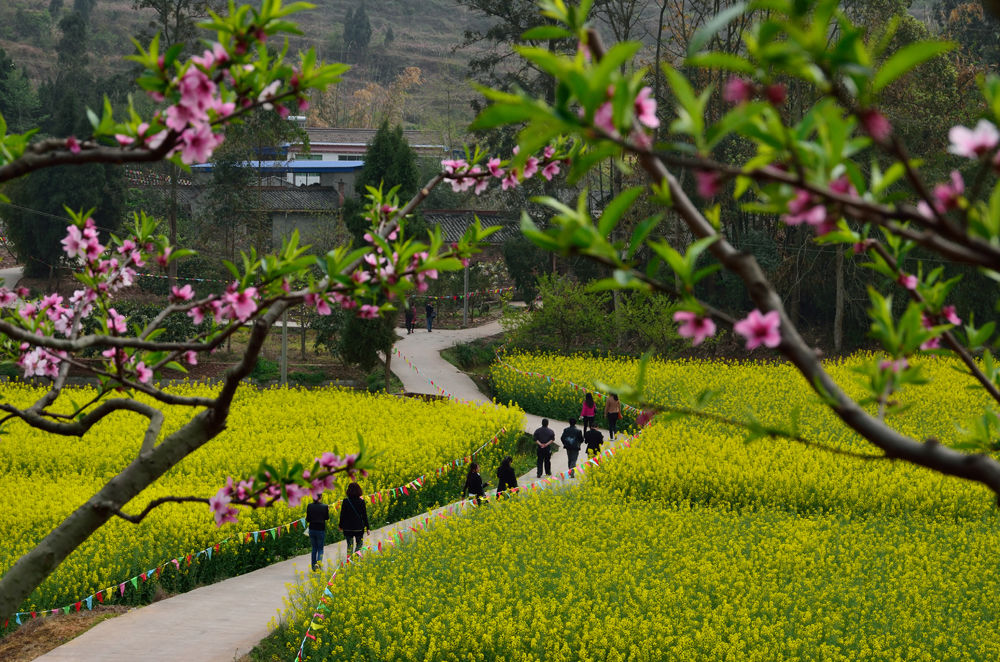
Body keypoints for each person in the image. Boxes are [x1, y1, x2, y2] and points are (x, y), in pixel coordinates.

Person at [338, 482, 370, 557]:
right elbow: (364, 516)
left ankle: (349, 561)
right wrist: (368, 527)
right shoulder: (361, 501)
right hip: (358, 527)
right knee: (359, 544)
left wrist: (340, 526)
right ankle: (355, 558)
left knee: (349, 545)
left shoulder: (345, 501)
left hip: (347, 528)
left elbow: (342, 515)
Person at [305, 497, 330, 572]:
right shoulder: (325, 506)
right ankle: (318, 565)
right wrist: (327, 511)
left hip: (312, 529)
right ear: (321, 497)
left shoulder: (309, 506)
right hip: (320, 529)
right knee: (320, 549)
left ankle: (313, 567)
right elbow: (327, 518)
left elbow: (307, 519)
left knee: (314, 548)